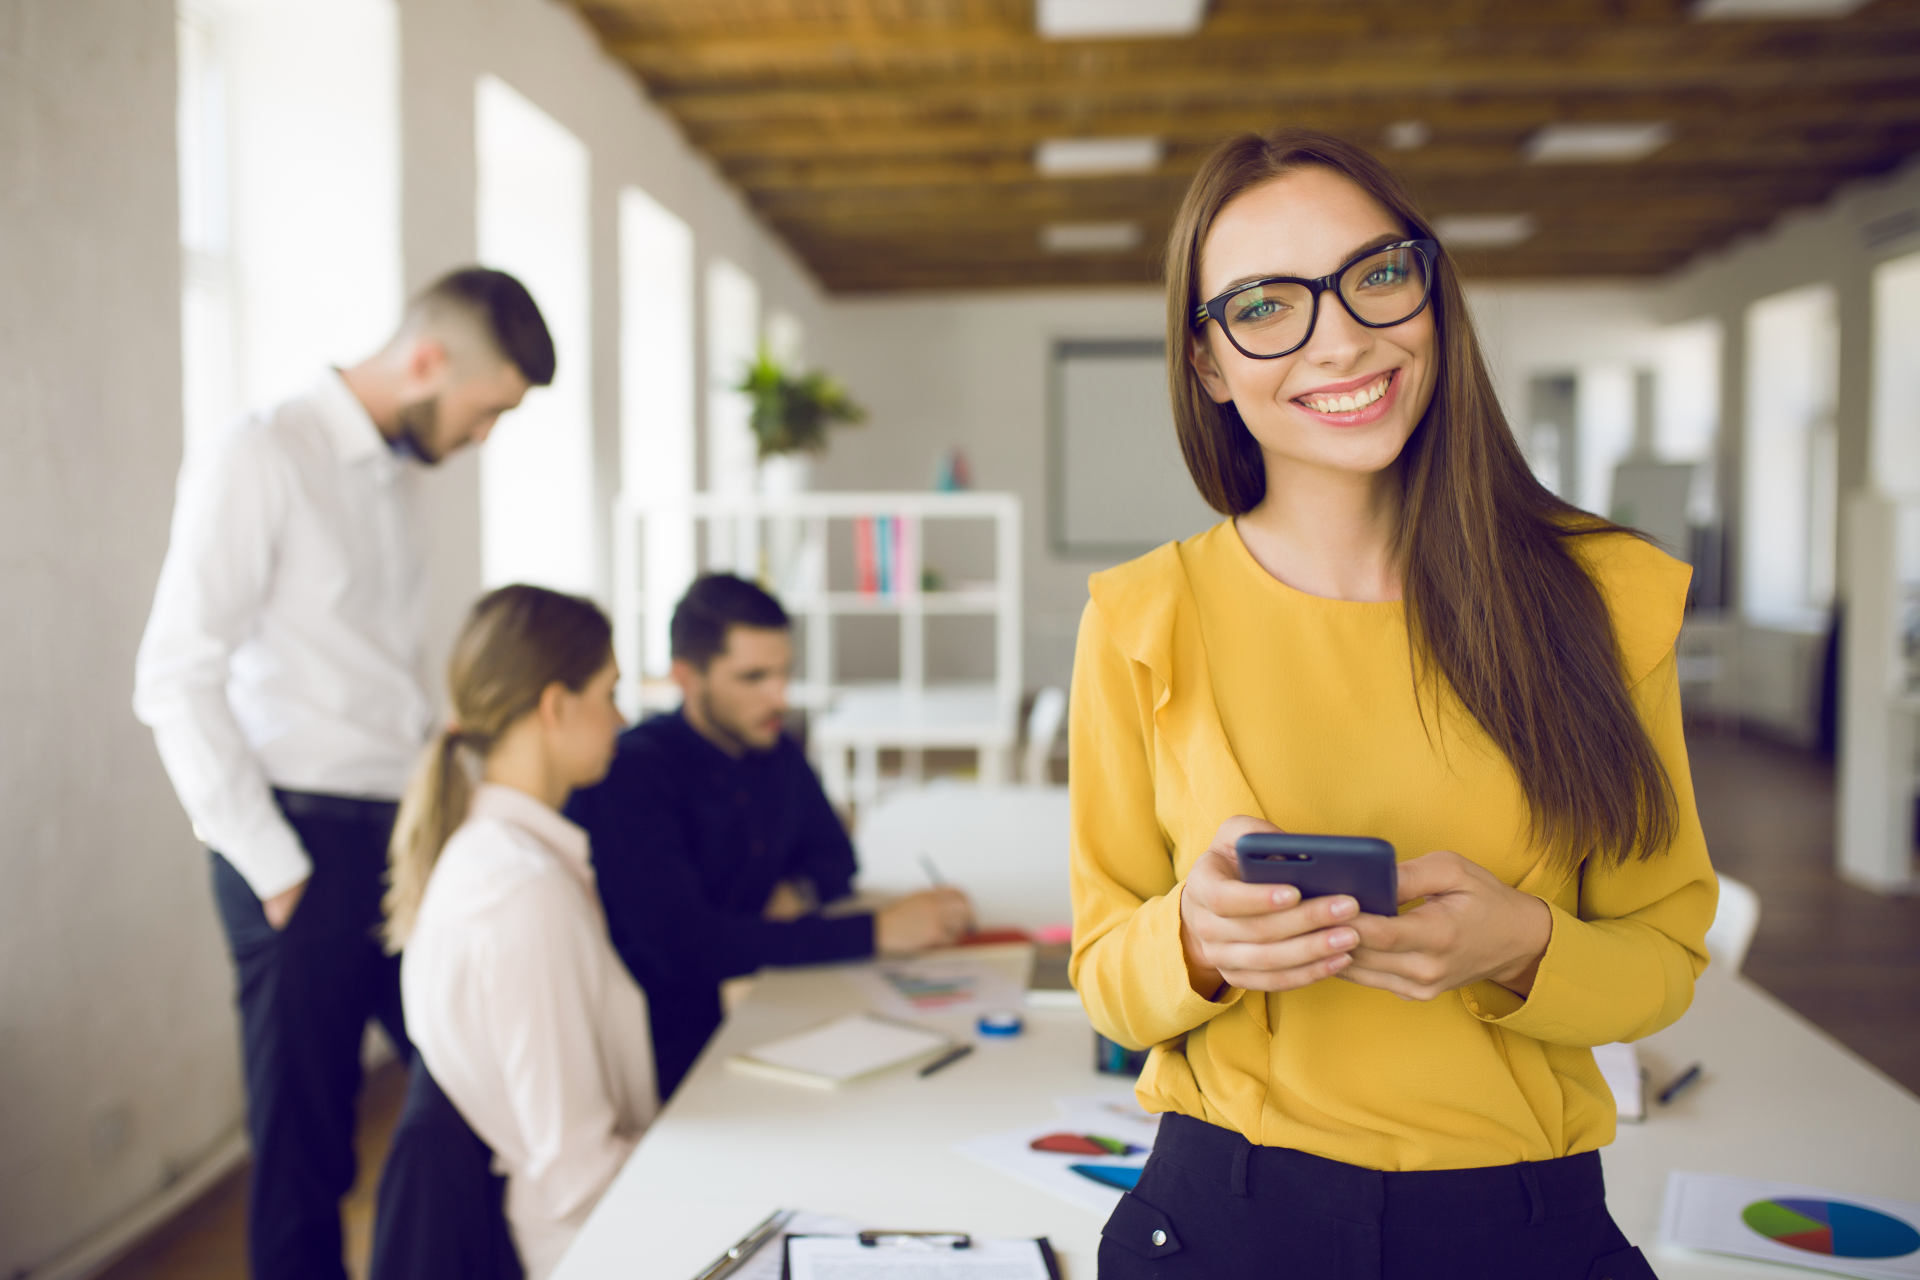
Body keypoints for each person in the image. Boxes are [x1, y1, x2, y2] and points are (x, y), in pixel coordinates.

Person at [1068, 128, 1717, 1279]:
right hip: (1224, 1214)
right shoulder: (1140, 617)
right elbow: (1106, 980)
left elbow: (1664, 957)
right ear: (1208, 362)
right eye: (1266, 304)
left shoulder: (1607, 595)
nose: (1342, 337)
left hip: (1521, 1224)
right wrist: (1196, 939)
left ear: (1430, 290)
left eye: (1374, 274)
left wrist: (1523, 945)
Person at [133, 267, 555, 1279]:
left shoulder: (396, 477)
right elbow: (174, 675)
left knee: (463, 1083)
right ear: (427, 360)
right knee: (306, 1151)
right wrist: (275, 867)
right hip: (295, 844)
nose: (485, 435)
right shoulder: (262, 454)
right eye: (487, 410)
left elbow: (362, 673)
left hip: (395, 835)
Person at [569, 573, 975, 1098]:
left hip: (760, 1012)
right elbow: (688, 948)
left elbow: (835, 858)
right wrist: (877, 931)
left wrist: (795, 893)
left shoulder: (772, 747)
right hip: (668, 1067)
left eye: (785, 673)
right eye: (753, 677)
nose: (779, 696)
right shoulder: (633, 774)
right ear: (687, 677)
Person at [385, 584, 655, 1280]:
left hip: (600, 1219)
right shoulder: (524, 892)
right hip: (588, 1244)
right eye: (609, 693)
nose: (621, 718)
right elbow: (577, 1172)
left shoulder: (496, 857)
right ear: (555, 706)